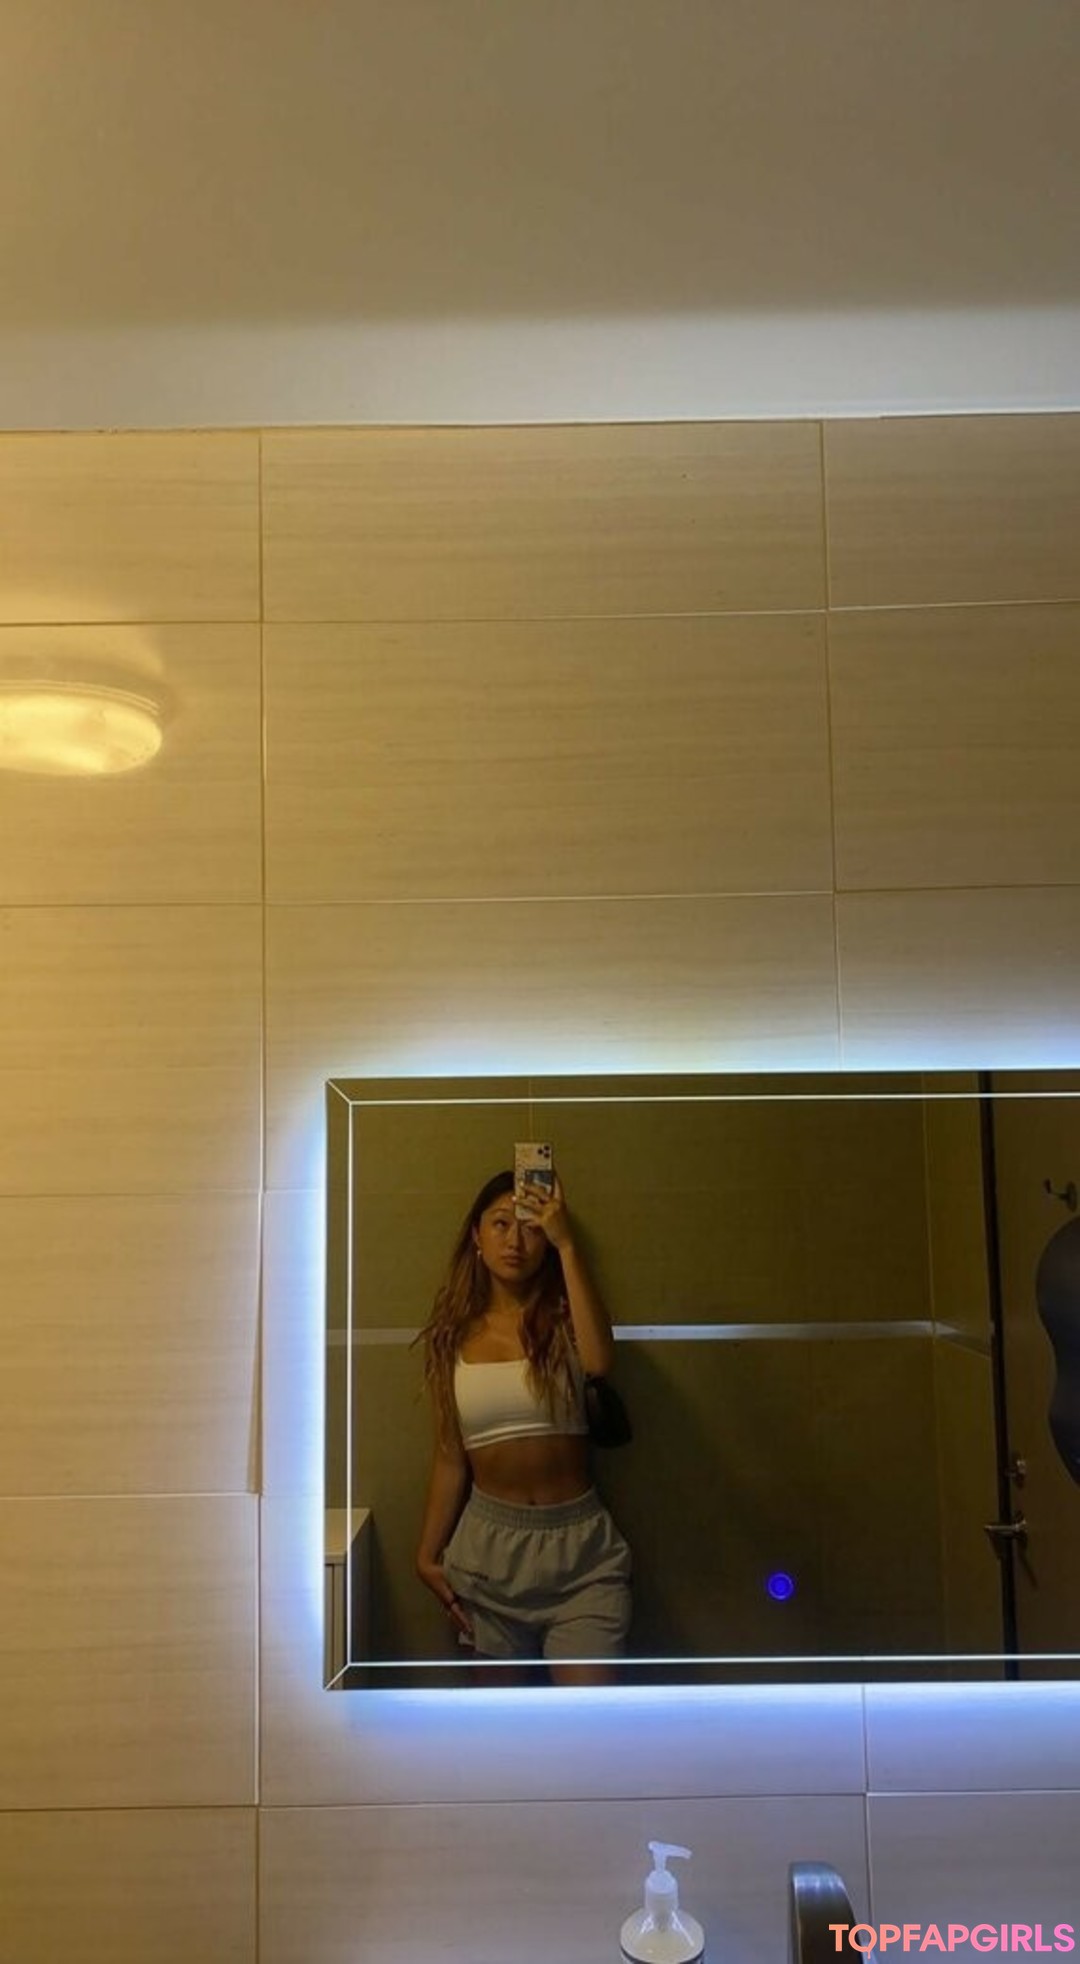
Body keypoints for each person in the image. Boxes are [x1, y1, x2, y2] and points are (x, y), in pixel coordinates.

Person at [414, 1166, 631, 1684]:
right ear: (476, 1235)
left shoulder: (564, 1317)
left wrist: (567, 1245)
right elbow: (450, 1456)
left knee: (589, 1722)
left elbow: (599, 1362)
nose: (515, 1241)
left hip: (581, 1553)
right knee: (502, 1728)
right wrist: (425, 1555)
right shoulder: (452, 1338)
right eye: (500, 1224)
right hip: (487, 1555)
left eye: (530, 1228)